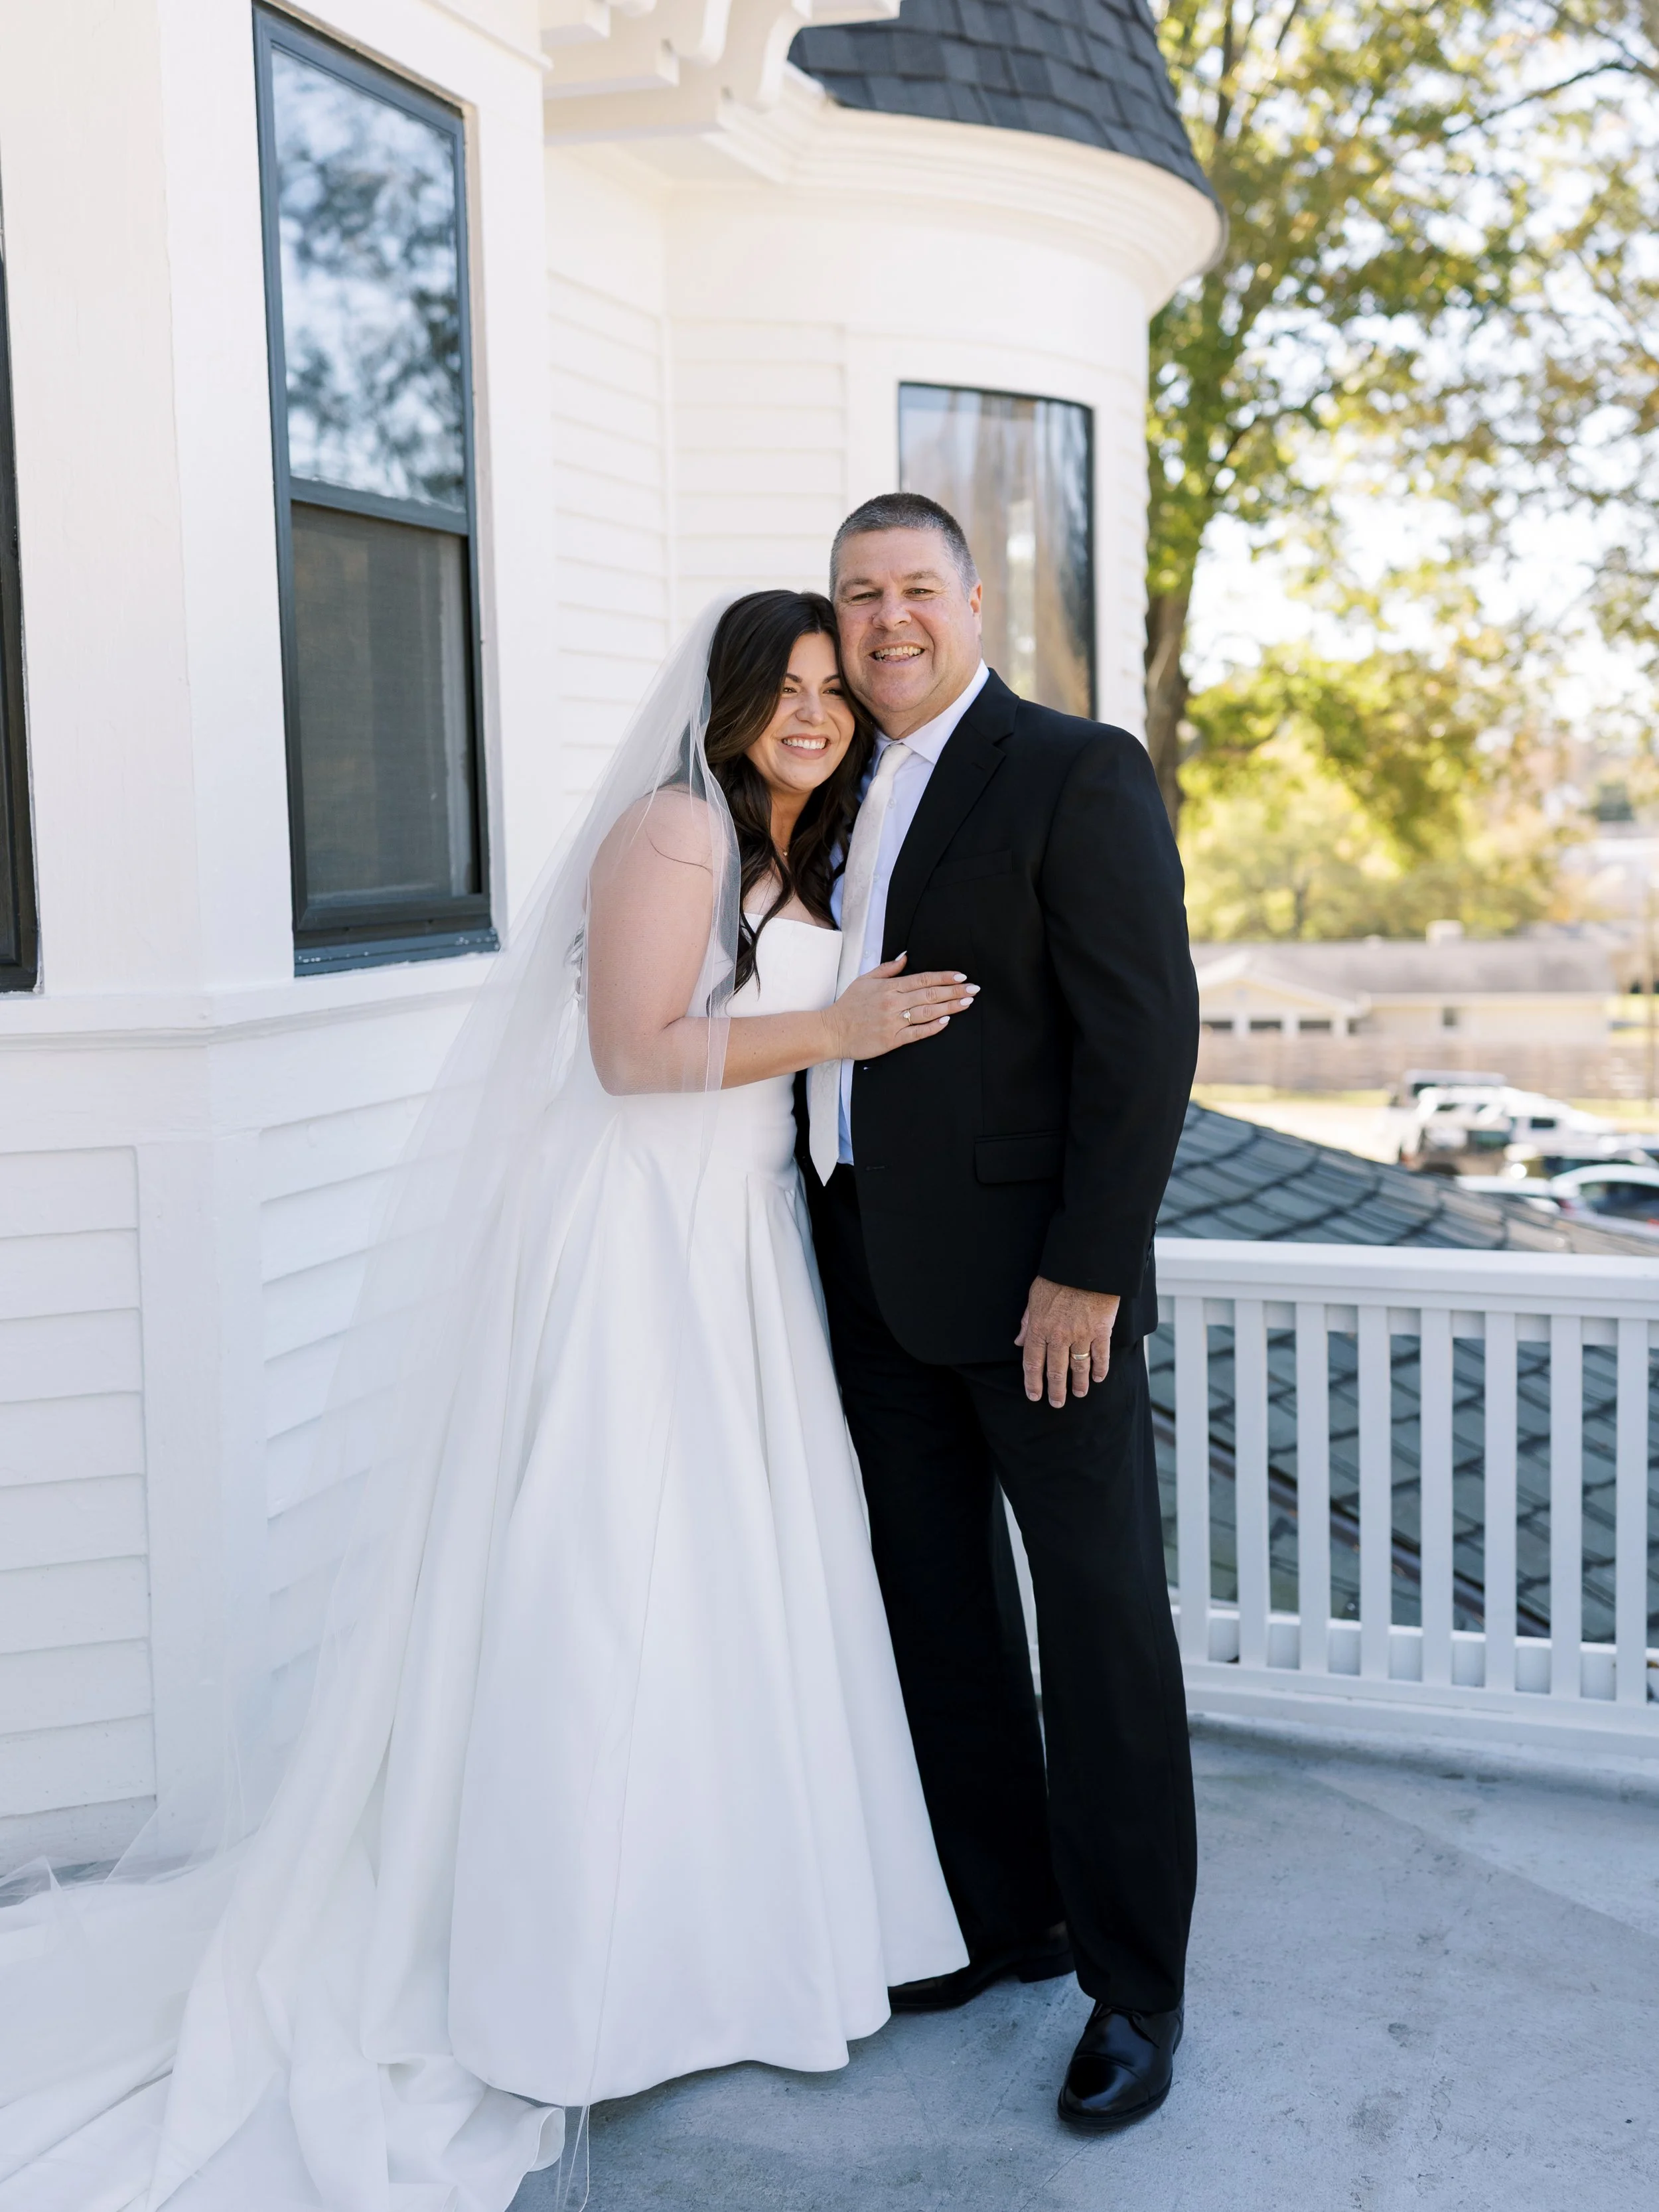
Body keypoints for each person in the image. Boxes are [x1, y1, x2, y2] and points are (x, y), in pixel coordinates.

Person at [0, 590, 969, 2211]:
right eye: (782, 686)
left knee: (738, 1583)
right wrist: (839, 1025)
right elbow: (630, 1056)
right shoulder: (671, 834)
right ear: (725, 701)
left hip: (738, 1238)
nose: (812, 709)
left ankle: (727, 1932)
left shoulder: (812, 846)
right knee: (603, 1574)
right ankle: (575, 1962)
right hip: (635, 1237)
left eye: (828, 689)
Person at [800, 492, 1200, 2132]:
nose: (887, 618)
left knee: (1098, 1629)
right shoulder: (821, 790)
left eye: (913, 587)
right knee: (938, 1612)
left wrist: (1088, 1266)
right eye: (856, 595)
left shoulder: (1072, 766)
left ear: (972, 598)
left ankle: (1134, 1989)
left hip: (1042, 1294)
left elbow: (1144, 1034)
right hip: (866, 1279)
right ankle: (1003, 1919)